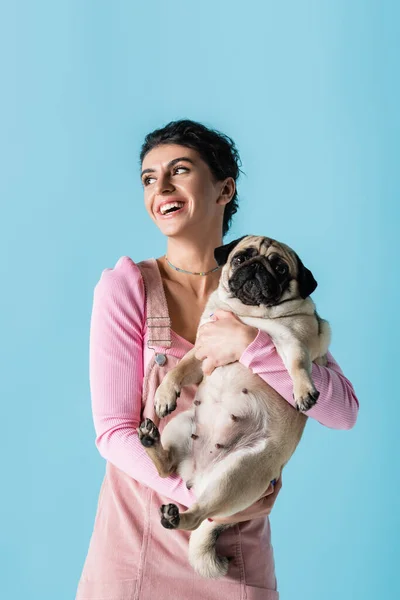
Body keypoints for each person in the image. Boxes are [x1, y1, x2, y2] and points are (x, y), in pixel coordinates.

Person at [76, 119, 359, 600]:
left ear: (224, 188)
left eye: (179, 170)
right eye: (149, 178)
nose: (161, 188)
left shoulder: (278, 299)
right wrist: (211, 502)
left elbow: (342, 412)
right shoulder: (127, 287)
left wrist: (251, 345)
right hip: (137, 552)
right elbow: (112, 432)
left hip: (235, 564)